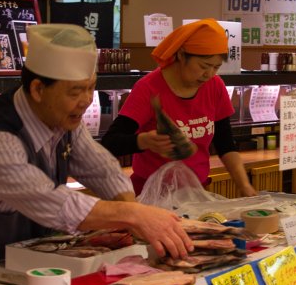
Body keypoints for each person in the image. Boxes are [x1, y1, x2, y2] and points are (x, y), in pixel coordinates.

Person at [0, 24, 193, 285]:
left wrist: (133, 215)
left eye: (91, 88)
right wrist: (135, 215)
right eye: (75, 91)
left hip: (25, 262)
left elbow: (101, 169)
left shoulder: (62, 117)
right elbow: (55, 203)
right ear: (38, 89)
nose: (86, 101)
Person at [101, 18, 258, 198]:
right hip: (151, 195)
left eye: (216, 67)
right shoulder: (149, 88)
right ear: (182, 55)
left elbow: (225, 143)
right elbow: (110, 143)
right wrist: (143, 141)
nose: (209, 74)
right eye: (204, 66)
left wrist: (244, 185)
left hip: (195, 194)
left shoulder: (215, 86)